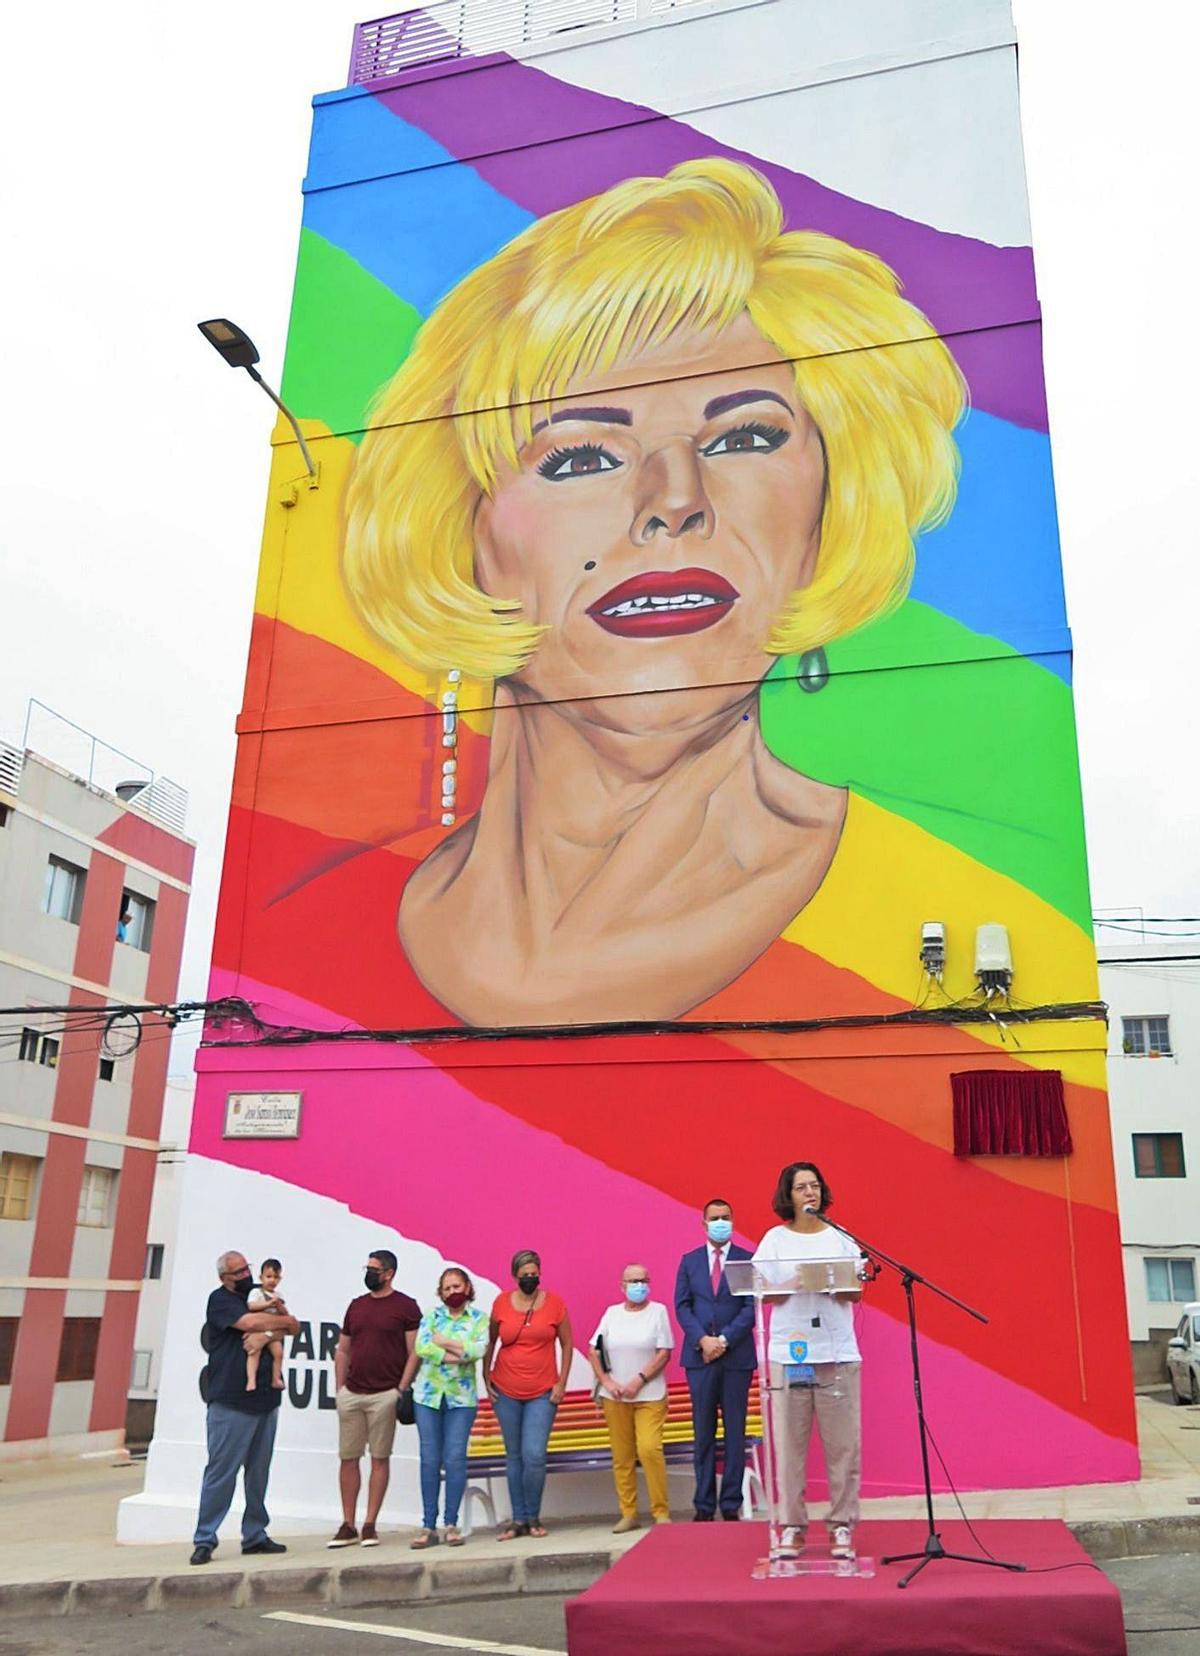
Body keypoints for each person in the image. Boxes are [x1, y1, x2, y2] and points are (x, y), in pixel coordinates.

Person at [342, 157, 964, 1027]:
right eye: (584, 456)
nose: (675, 500)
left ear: (831, 510)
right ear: (459, 530)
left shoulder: (951, 890)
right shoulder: (307, 918)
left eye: (744, 437)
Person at [753, 1161, 865, 1559]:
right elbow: (761, 1292)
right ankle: (792, 1527)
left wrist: (837, 1283)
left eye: (814, 1186)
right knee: (789, 1445)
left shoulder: (840, 1237)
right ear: (788, 1195)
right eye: (801, 1188)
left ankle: (841, 1527)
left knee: (843, 1446)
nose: (809, 1193)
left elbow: (857, 1293)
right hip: (791, 1354)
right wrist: (793, 1282)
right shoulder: (774, 1240)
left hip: (836, 1354)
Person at [190, 1250, 299, 1566]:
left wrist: (267, 1333)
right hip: (230, 1401)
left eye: (246, 1270)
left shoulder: (260, 1296)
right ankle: (205, 1539)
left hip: (266, 1399)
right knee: (221, 1472)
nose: (244, 1276)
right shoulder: (220, 1300)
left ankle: (254, 1535)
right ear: (224, 1277)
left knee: (258, 1474)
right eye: (237, 1272)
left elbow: (294, 1327)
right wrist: (277, 1324)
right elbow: (250, 1321)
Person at [328, 1249, 421, 1549]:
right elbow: (343, 1349)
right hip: (352, 1394)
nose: (369, 1273)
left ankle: (370, 1524)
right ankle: (348, 1524)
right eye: (367, 1267)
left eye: (374, 1268)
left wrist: (400, 1389)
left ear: (389, 1273)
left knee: (380, 1458)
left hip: (385, 1394)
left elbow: (414, 1353)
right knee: (348, 1458)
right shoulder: (356, 1306)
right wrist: (340, 1389)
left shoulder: (406, 1307)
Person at [674, 1197, 756, 1521]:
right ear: (703, 1223)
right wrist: (704, 1341)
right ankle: (704, 1506)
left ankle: (731, 1503)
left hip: (735, 1358)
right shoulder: (689, 1261)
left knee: (735, 1433)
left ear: (733, 1220)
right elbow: (682, 1306)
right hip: (700, 1358)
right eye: (714, 1218)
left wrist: (723, 1340)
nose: (720, 1222)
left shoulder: (744, 1260)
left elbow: (751, 1307)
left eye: (726, 1217)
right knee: (703, 1432)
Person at [483, 1249, 573, 1540]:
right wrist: (486, 1378)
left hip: (542, 1390)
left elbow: (568, 1345)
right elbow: (490, 1342)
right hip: (506, 1389)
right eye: (524, 1276)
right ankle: (518, 1519)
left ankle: (533, 1515)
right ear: (514, 1276)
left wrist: (561, 1384)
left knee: (534, 1454)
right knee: (514, 1456)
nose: (530, 1279)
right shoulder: (501, 1303)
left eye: (534, 1275)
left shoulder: (555, 1304)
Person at [589, 1263, 674, 1532]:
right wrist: (607, 1382)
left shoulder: (658, 1311)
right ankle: (629, 1512)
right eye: (632, 1281)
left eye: (642, 1280)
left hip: (649, 1394)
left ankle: (661, 1511)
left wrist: (639, 1379)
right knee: (622, 1456)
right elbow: (594, 1349)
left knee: (649, 1449)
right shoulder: (612, 1314)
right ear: (622, 1286)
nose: (638, 1286)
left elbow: (663, 1352)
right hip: (615, 1396)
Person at [410, 1266, 490, 1549]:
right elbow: (422, 1348)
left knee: (455, 1458)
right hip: (428, 1398)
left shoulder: (480, 1319)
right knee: (430, 1459)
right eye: (447, 1288)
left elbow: (477, 1351)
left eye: (457, 1286)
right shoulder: (431, 1317)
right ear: (440, 1292)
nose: (452, 1292)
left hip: (461, 1400)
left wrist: (443, 1342)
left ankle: (452, 1523)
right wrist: (457, 1352)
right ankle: (428, 1525)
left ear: (467, 1288)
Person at [243, 1257, 287, 1392]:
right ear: (261, 1277)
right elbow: (251, 1306)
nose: (272, 1280)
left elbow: (285, 1315)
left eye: (276, 1277)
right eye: (268, 1276)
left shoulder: (278, 1295)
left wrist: (279, 1305)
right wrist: (268, 1304)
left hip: (272, 1331)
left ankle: (276, 1379)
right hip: (258, 1329)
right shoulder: (257, 1292)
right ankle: (251, 1380)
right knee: (254, 1352)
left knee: (278, 1353)